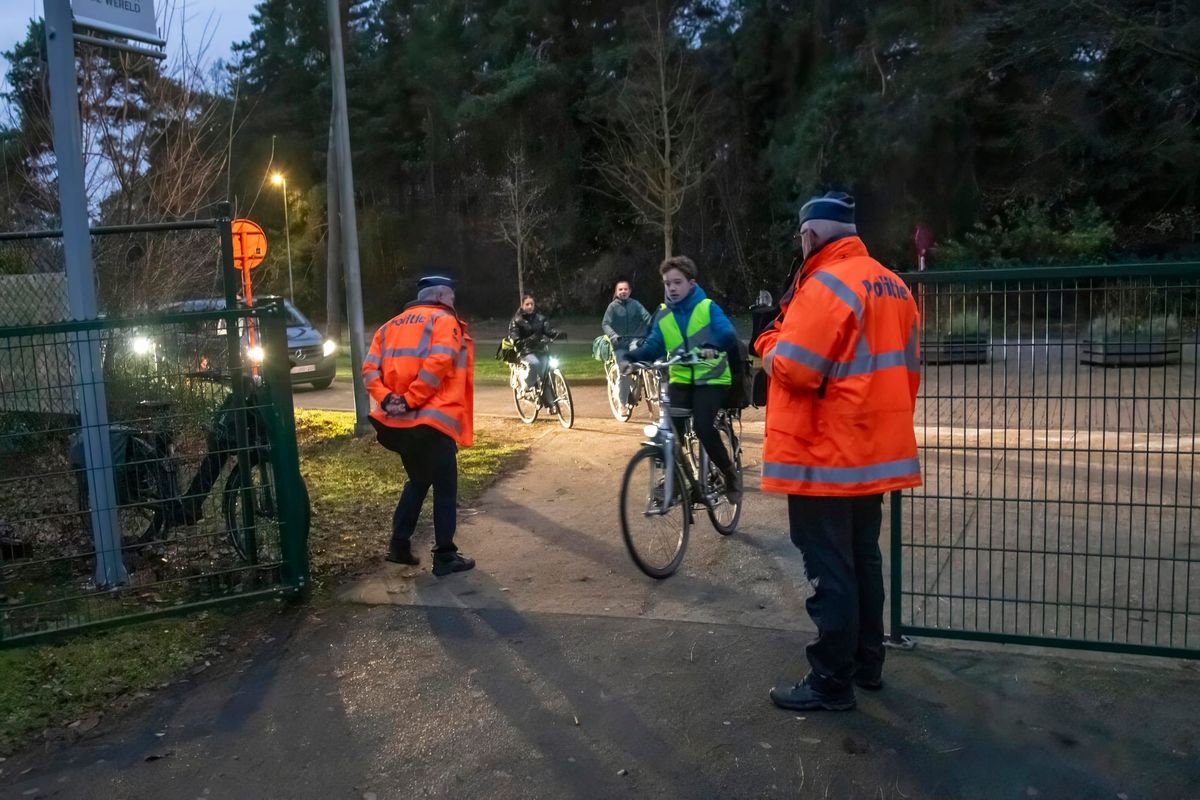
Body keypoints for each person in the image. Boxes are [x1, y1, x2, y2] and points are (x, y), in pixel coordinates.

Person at [755, 192, 921, 711]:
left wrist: (765, 343)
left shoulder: (825, 285)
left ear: (810, 235)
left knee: (831, 569)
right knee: (863, 560)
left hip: (824, 455)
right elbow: (906, 374)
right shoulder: (895, 286)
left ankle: (831, 681)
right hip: (874, 451)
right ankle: (868, 664)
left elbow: (797, 368)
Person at [363, 274, 476, 577]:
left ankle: (399, 546)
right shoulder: (443, 321)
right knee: (445, 486)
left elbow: (369, 369)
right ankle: (445, 555)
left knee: (419, 479)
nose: (454, 303)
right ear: (440, 296)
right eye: (451, 297)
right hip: (431, 421)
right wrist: (411, 399)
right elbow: (438, 363)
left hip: (395, 425)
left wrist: (388, 400)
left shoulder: (388, 327)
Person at [623, 255, 741, 502]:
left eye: (677, 282)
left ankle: (729, 473)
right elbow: (654, 344)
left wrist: (713, 344)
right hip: (681, 379)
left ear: (691, 283)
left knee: (703, 427)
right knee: (670, 432)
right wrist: (631, 357)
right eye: (667, 283)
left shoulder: (707, 307)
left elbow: (727, 334)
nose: (672, 288)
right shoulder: (664, 314)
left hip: (712, 379)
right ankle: (677, 480)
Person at [602, 279, 652, 408]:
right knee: (625, 370)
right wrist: (614, 336)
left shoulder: (636, 304)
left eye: (625, 289)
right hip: (620, 345)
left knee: (653, 362)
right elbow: (605, 323)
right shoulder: (612, 307)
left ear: (629, 291)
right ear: (616, 291)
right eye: (620, 289)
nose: (623, 291)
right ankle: (622, 403)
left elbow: (647, 318)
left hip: (636, 341)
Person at [508, 294, 561, 403]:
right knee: (535, 363)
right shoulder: (517, 320)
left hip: (540, 350)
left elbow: (548, 330)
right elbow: (514, 336)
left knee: (546, 372)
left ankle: (551, 404)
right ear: (522, 305)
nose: (530, 306)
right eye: (527, 304)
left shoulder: (540, 318)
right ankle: (527, 385)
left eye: (532, 304)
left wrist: (556, 334)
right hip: (526, 351)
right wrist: (520, 341)